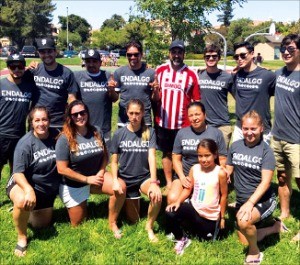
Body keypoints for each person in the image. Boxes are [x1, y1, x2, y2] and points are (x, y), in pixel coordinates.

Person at [55, 100, 126, 229]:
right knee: (79, 225)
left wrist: (100, 171)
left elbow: (105, 154)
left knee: (120, 187)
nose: (79, 116)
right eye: (75, 114)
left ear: (87, 113)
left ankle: (112, 222)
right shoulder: (64, 138)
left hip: (96, 178)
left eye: (82, 112)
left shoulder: (96, 131)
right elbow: (62, 169)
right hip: (75, 184)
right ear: (70, 117)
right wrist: (87, 179)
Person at [226, 111, 284, 265]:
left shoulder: (266, 152)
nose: (249, 133)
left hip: (264, 200)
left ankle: (255, 253)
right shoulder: (235, 146)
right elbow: (228, 169)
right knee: (244, 239)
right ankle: (274, 227)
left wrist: (250, 203)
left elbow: (265, 183)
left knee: (243, 223)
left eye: (253, 129)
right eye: (245, 128)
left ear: (261, 128)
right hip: (242, 200)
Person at [6, 106, 61, 257]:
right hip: (22, 182)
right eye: (37, 120)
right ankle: (22, 237)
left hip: (45, 188)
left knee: (40, 225)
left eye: (44, 119)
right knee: (23, 201)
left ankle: (24, 212)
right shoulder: (25, 144)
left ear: (49, 121)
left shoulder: (57, 136)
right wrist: (29, 190)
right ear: (31, 123)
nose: (41, 123)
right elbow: (17, 173)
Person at [110, 99, 162, 242]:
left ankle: (149, 227)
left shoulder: (149, 132)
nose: (134, 116)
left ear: (143, 113)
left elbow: (152, 157)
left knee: (157, 197)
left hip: (143, 178)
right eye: (131, 113)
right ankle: (114, 220)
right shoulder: (119, 134)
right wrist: (115, 180)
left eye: (137, 113)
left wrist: (154, 182)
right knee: (133, 219)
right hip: (125, 178)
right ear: (126, 113)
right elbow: (114, 162)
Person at [166, 139, 228, 255]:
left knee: (205, 240)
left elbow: (224, 195)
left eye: (207, 155)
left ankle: (198, 230)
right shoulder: (194, 169)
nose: (203, 159)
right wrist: (178, 202)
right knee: (170, 211)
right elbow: (188, 189)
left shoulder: (220, 172)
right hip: (194, 209)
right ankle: (182, 238)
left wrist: (223, 217)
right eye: (200, 156)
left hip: (210, 217)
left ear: (215, 155)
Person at [154, 40, 201, 191]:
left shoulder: (191, 74)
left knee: (185, 154)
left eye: (179, 52)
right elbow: (154, 95)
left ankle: (185, 180)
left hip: (183, 124)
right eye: (173, 52)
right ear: (169, 53)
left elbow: (196, 100)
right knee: (167, 153)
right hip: (163, 121)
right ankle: (169, 182)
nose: (176, 55)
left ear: (183, 54)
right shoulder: (160, 71)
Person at [168, 101, 227, 204]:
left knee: (204, 202)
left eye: (197, 114)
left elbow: (222, 158)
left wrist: (222, 173)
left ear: (205, 115)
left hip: (207, 176)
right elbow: (176, 158)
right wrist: (182, 177)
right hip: (185, 176)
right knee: (172, 198)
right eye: (191, 115)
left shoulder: (216, 133)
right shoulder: (182, 133)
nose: (194, 118)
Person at [271, 34, 299, 235]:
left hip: (297, 140)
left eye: (291, 49)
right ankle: (285, 213)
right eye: (283, 49)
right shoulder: (279, 73)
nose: (286, 53)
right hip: (277, 136)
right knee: (282, 177)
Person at [26, 37, 78, 130]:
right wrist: (27, 68)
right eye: (42, 52)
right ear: (38, 53)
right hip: (37, 123)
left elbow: (71, 97)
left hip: (58, 123)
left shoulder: (67, 73)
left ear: (55, 52)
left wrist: (75, 116)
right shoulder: (34, 70)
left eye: (49, 51)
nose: (46, 55)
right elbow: (18, 79)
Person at [231, 41, 276, 144]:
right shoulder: (236, 75)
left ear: (252, 54)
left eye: (243, 55)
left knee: (259, 159)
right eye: (236, 57)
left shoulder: (267, 76)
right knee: (237, 158)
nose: (239, 59)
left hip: (260, 129)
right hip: (240, 128)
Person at [75, 49, 118, 151]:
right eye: (88, 61)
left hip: (103, 126)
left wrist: (111, 91)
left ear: (100, 62)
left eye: (94, 61)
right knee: (86, 156)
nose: (91, 64)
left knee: (104, 157)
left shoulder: (107, 76)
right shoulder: (77, 76)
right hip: (84, 126)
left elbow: (115, 99)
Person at [0, 54, 34, 179]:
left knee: (17, 170)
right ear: (8, 68)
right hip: (2, 134)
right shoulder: (1, 84)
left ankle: (15, 195)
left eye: (19, 67)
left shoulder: (29, 86)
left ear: (24, 67)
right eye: (12, 67)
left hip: (19, 135)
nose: (16, 70)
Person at [113, 40, 156, 128]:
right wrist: (110, 91)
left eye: (136, 54)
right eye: (129, 54)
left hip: (145, 120)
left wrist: (156, 90)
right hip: (124, 120)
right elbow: (114, 98)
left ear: (141, 54)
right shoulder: (119, 72)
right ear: (126, 55)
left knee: (145, 142)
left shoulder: (151, 73)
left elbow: (154, 99)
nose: (132, 57)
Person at [198, 44, 234, 149]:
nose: (211, 58)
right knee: (204, 157)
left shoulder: (227, 77)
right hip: (204, 125)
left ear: (219, 57)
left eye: (214, 56)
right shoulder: (199, 75)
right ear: (204, 58)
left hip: (222, 124)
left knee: (222, 158)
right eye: (207, 56)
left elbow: (239, 97)